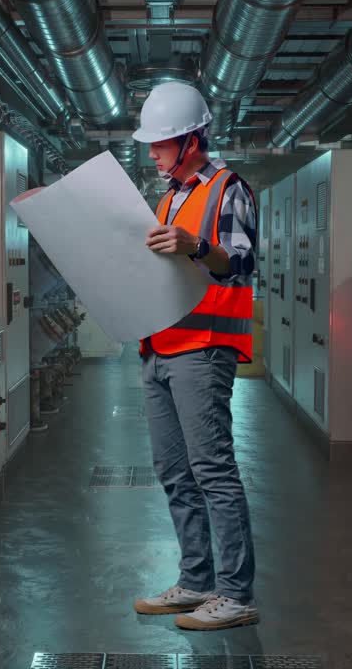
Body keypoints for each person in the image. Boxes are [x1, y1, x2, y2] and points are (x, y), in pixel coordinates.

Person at [129, 81, 259, 631]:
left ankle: (235, 593)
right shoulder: (169, 197)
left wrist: (196, 246)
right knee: (174, 472)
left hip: (203, 349)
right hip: (160, 347)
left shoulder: (229, 188)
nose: (152, 152)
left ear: (191, 141)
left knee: (213, 471)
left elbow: (242, 263)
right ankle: (197, 580)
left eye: (161, 143)